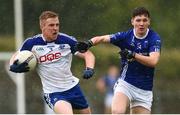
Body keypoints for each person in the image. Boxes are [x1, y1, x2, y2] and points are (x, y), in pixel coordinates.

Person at [75, 7, 161, 114]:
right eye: (138, 20)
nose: (141, 23)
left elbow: (153, 61)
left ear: (149, 22)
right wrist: (89, 43)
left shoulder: (154, 38)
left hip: (145, 90)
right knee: (117, 112)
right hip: (126, 84)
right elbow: (102, 38)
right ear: (132, 21)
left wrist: (133, 55)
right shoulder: (125, 36)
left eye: (144, 20)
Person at [9, 11, 95, 114]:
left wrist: (89, 68)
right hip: (53, 93)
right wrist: (12, 65)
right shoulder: (32, 43)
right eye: (51, 25)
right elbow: (16, 55)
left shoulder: (67, 41)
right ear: (42, 26)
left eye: (57, 25)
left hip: (73, 88)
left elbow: (88, 54)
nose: (55, 28)